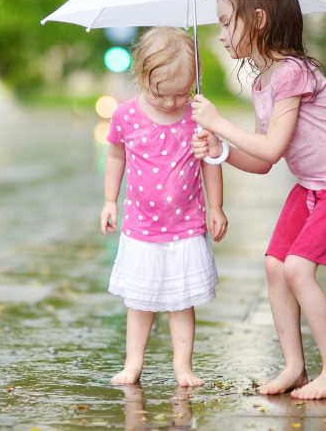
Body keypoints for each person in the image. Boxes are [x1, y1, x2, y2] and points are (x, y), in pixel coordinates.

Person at [190, 0, 326, 400]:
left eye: (227, 24)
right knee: (275, 265)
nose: (222, 36)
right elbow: (262, 161)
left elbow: (273, 147)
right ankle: (295, 367)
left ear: (258, 20)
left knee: (297, 269)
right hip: (314, 184)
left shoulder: (293, 71)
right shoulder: (264, 83)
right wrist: (218, 151)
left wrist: (219, 123)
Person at [101, 27, 228, 387]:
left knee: (181, 301)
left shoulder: (196, 117)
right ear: (142, 77)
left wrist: (215, 207)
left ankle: (183, 366)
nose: (174, 102)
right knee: (140, 302)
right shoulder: (126, 116)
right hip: (141, 227)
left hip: (186, 225)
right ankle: (133, 363)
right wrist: (110, 200)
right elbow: (115, 155)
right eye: (163, 95)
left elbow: (210, 163)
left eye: (182, 93)